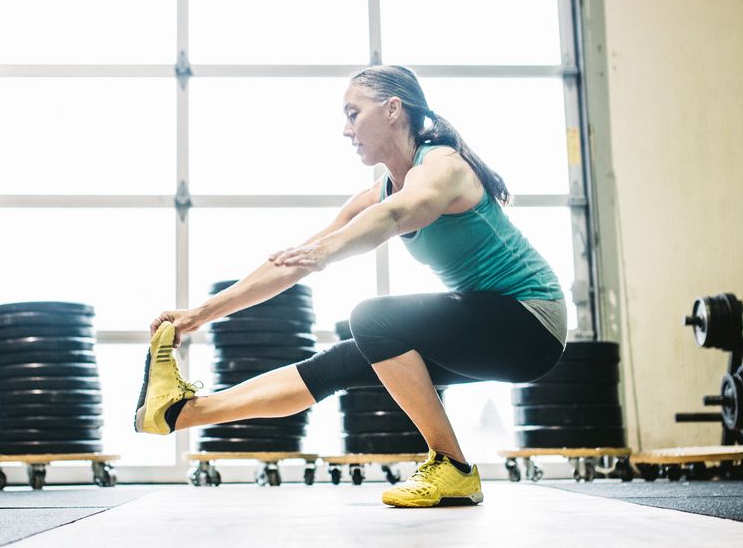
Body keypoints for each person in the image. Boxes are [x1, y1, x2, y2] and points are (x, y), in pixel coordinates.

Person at [134, 65, 566, 508]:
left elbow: (399, 215)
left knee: (372, 318)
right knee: (340, 362)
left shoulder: (442, 166)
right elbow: (288, 265)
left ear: (393, 109)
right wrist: (198, 315)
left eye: (353, 113)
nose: (346, 129)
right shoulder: (375, 194)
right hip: (493, 326)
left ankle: (452, 467)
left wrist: (328, 251)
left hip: (531, 324)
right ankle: (180, 413)